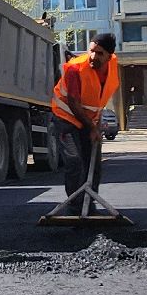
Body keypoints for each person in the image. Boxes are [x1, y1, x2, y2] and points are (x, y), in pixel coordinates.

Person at [49, 33, 118, 199]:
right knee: (75, 162)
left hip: (88, 121)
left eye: (100, 53)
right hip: (66, 118)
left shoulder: (113, 66)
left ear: (109, 56)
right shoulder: (75, 69)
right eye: (92, 51)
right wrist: (92, 128)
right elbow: (73, 103)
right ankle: (75, 208)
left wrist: (96, 123)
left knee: (93, 165)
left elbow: (98, 99)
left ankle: (89, 204)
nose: (93, 56)